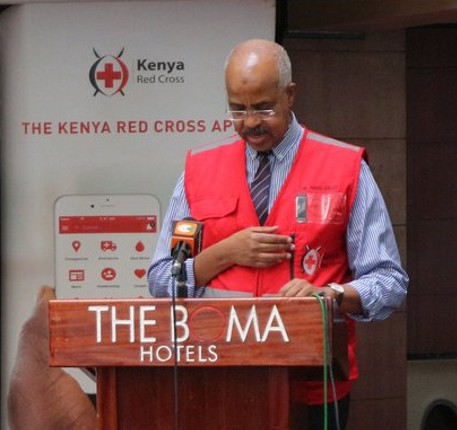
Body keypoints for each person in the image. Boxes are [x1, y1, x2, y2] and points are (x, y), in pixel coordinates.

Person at [147, 39, 408, 429]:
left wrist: (330, 296)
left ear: (290, 95)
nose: (250, 122)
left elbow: (390, 282)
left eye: (263, 108)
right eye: (238, 109)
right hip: (220, 379)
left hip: (313, 384)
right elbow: (161, 280)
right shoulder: (199, 171)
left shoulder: (344, 168)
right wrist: (225, 253)